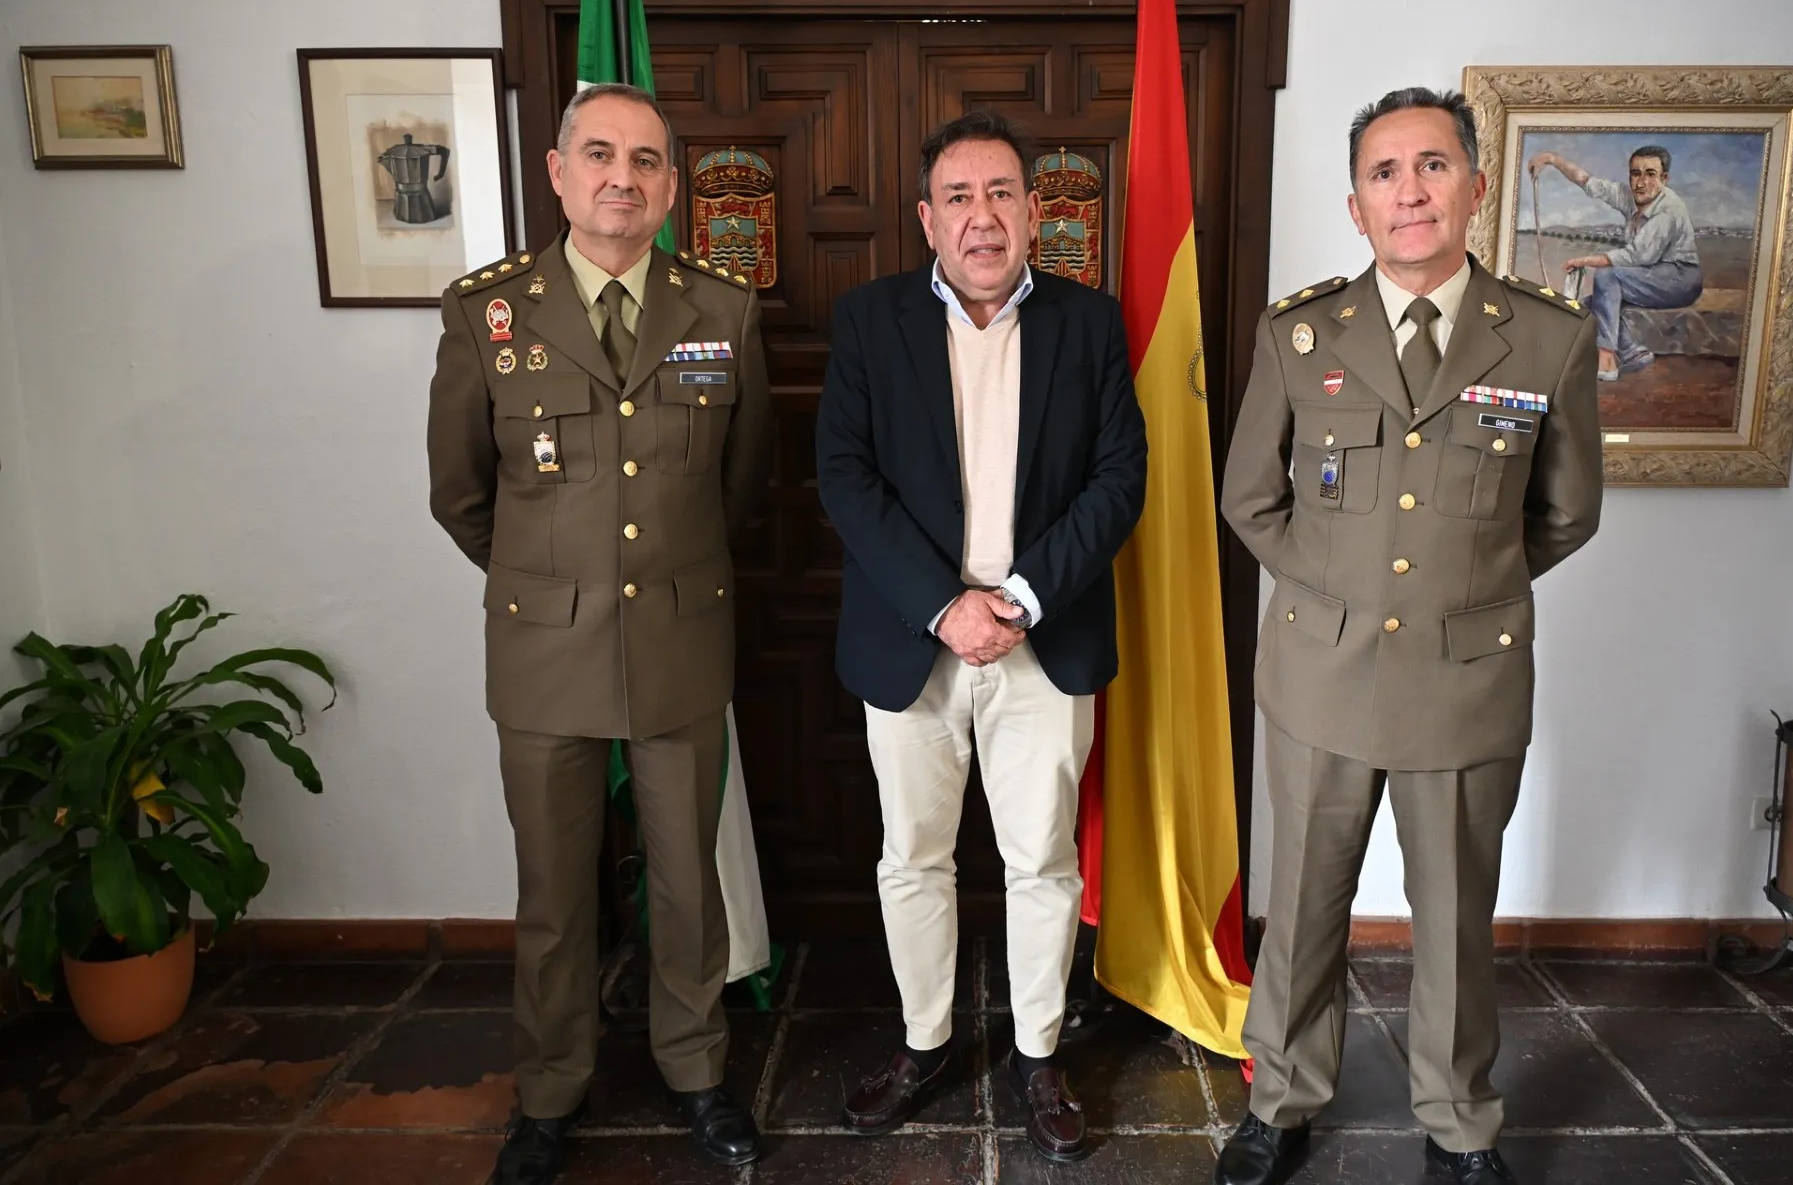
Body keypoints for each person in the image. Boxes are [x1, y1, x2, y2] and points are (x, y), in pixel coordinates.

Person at [1214, 87, 1603, 1185]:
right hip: (1320, 676)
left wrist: (1462, 590)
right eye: (1385, 174)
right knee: (1299, 911)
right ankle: (1280, 1102)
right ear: (1355, 205)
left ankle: (1460, 1123)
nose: (1410, 191)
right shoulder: (1301, 333)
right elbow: (1251, 500)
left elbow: (1568, 511)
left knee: (1455, 922)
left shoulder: (1547, 336)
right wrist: (1340, 593)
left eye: (1433, 166)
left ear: (1476, 186)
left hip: (1466, 682)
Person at [427, 82, 771, 1184]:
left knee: (686, 884)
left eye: (646, 161)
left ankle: (696, 1069)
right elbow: (461, 493)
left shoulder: (722, 309)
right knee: (555, 891)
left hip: (678, 639)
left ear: (670, 185)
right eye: (601, 155)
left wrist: (648, 576)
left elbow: (743, 482)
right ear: (557, 169)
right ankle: (549, 1090)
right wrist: (559, 582)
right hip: (543, 651)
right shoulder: (486, 311)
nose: (623, 177)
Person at [814, 110, 1147, 1164]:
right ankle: (924, 1044)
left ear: (1035, 211)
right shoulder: (868, 322)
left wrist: (1021, 596)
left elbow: (1118, 479)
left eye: (1001, 193)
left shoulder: (1090, 326)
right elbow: (846, 479)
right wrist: (945, 603)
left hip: (1041, 644)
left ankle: (1040, 1052)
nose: (982, 216)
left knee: (1042, 857)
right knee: (912, 856)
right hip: (911, 643)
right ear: (926, 219)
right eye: (958, 197)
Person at [1528, 145, 1703, 381]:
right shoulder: (1629, 197)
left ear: (1664, 178)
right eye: (1635, 173)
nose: (1640, 182)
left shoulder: (1669, 210)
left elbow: (1637, 256)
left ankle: (1607, 359)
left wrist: (1585, 260)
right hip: (1648, 277)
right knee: (1588, 306)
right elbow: (1587, 182)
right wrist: (1551, 159)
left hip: (1680, 279)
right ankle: (1632, 352)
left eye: (1650, 174)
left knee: (1607, 276)